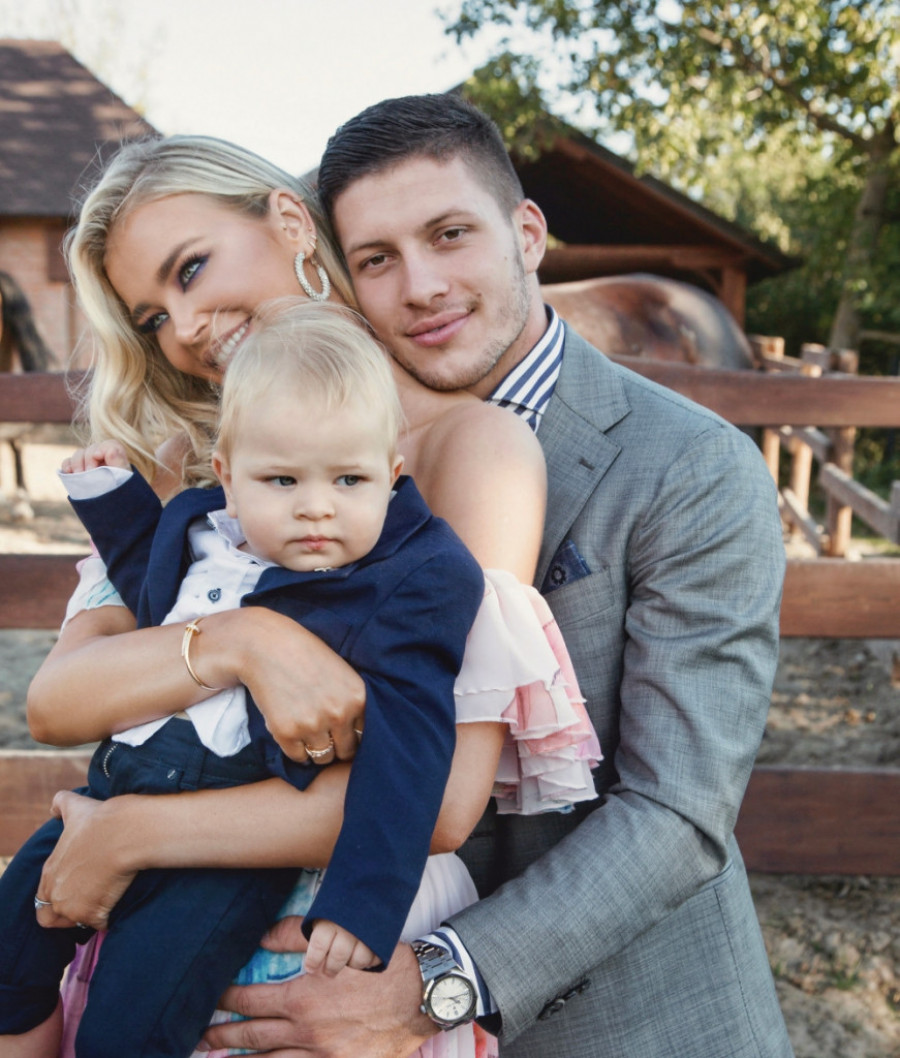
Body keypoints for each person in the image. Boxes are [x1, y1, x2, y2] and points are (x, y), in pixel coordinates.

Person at [195, 94, 793, 1057]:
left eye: (450, 235)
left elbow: (677, 812)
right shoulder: (318, 459)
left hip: (624, 1025)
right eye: (377, 259)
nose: (421, 286)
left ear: (527, 234)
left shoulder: (693, 467)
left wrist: (435, 985)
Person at [17, 133, 599, 1058]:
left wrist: (128, 833)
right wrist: (242, 641)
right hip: (140, 914)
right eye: (153, 315)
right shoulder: (184, 467)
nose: (186, 324)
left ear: (291, 222)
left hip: (333, 947)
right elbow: (57, 701)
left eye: (192, 269)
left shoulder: (466, 448)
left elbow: (443, 797)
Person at [0, 299, 491, 1055]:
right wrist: (114, 503)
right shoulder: (203, 529)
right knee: (8, 955)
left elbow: (414, 747)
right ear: (229, 477)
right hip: (110, 795)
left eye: (350, 479)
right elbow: (155, 600)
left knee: (130, 1025)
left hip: (222, 854)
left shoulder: (408, 578)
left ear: (391, 475)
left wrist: (362, 902)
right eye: (282, 479)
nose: (317, 509)